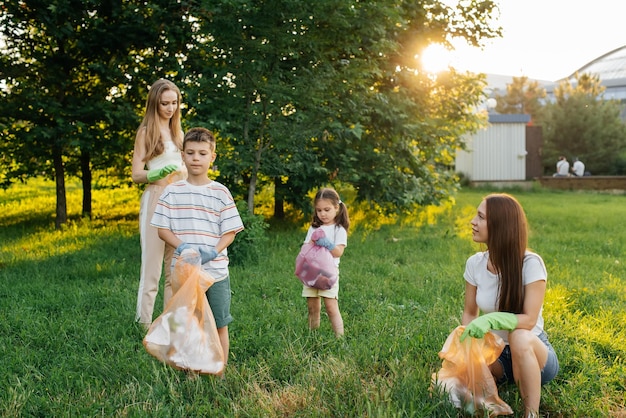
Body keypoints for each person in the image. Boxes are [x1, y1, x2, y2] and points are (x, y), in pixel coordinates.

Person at [151, 127, 244, 369]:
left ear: (212, 157)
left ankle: (219, 370)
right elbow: (162, 229)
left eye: (202, 153)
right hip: (184, 271)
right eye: (190, 153)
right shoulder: (172, 192)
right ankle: (192, 369)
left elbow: (230, 231)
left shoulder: (220, 192)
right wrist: (183, 247)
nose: (196, 158)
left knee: (219, 322)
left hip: (216, 273)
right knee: (190, 323)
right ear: (182, 155)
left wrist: (214, 250)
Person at [461, 193, 559, 418]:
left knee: (519, 336)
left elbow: (529, 320)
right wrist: (468, 340)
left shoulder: (530, 263)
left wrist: (492, 319)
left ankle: (530, 414)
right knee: (459, 375)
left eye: (481, 217)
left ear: (500, 225)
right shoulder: (475, 264)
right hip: (496, 353)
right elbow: (469, 312)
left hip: (533, 354)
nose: (473, 222)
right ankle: (493, 401)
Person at [131, 78, 186, 329]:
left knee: (172, 269)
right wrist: (156, 173)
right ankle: (142, 325)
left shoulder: (179, 134)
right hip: (155, 199)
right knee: (151, 269)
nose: (170, 108)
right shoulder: (146, 133)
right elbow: (136, 174)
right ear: (155, 103)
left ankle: (167, 324)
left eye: (174, 103)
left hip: (178, 203)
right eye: (165, 103)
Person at [302, 188, 350, 337]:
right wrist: (311, 243)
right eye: (319, 210)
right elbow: (306, 248)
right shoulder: (314, 228)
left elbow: (338, 252)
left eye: (327, 209)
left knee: (331, 306)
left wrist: (325, 243)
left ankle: (339, 338)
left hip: (329, 273)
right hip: (312, 272)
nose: (322, 214)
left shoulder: (338, 229)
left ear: (337, 208)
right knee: (312, 307)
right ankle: (313, 336)